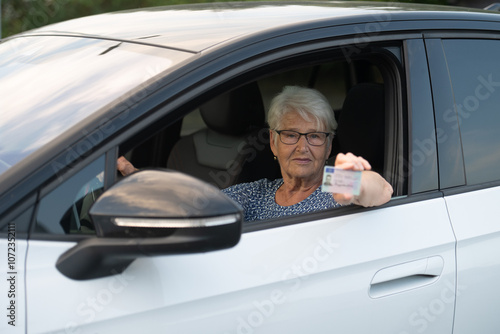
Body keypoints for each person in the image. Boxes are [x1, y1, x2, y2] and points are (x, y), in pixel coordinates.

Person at [118, 86, 393, 222]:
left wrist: (355, 180)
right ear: (273, 143)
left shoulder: (335, 186)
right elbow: (197, 205)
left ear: (329, 146)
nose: (302, 146)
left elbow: (380, 191)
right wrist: (145, 183)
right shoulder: (254, 194)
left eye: (315, 136)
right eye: (290, 134)